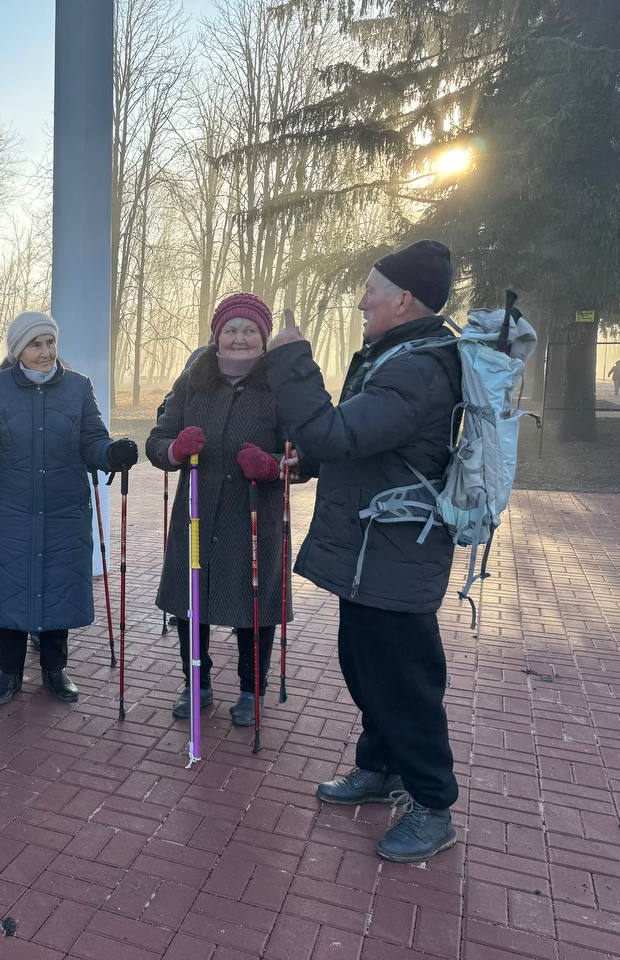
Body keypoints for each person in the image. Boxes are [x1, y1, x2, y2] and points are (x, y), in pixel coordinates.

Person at [265, 239, 461, 863]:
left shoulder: (418, 366)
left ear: (403, 299)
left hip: (397, 551)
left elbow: (337, 429)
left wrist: (293, 359)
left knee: (406, 680)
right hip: (373, 548)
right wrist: (310, 462)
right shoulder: (397, 353)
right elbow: (355, 442)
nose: (360, 303)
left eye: (370, 293)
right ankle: (380, 766)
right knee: (365, 662)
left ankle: (431, 804)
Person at [0, 312, 138, 705]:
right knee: (11, 590)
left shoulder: (78, 388)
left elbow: (93, 440)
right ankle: (9, 672)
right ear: (19, 350)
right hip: (10, 511)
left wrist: (111, 453)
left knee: (58, 588)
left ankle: (55, 668)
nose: (46, 352)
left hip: (63, 510)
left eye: (50, 342)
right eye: (36, 344)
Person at [146, 293, 294, 727]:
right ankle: (197, 683)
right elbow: (158, 441)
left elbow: (304, 453)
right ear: (216, 336)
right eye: (230, 330)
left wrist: (273, 468)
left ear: (264, 338)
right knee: (192, 600)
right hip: (197, 510)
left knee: (255, 604)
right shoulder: (194, 379)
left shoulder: (280, 386)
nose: (239, 338)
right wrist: (174, 449)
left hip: (253, 514)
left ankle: (251, 690)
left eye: (250, 330)